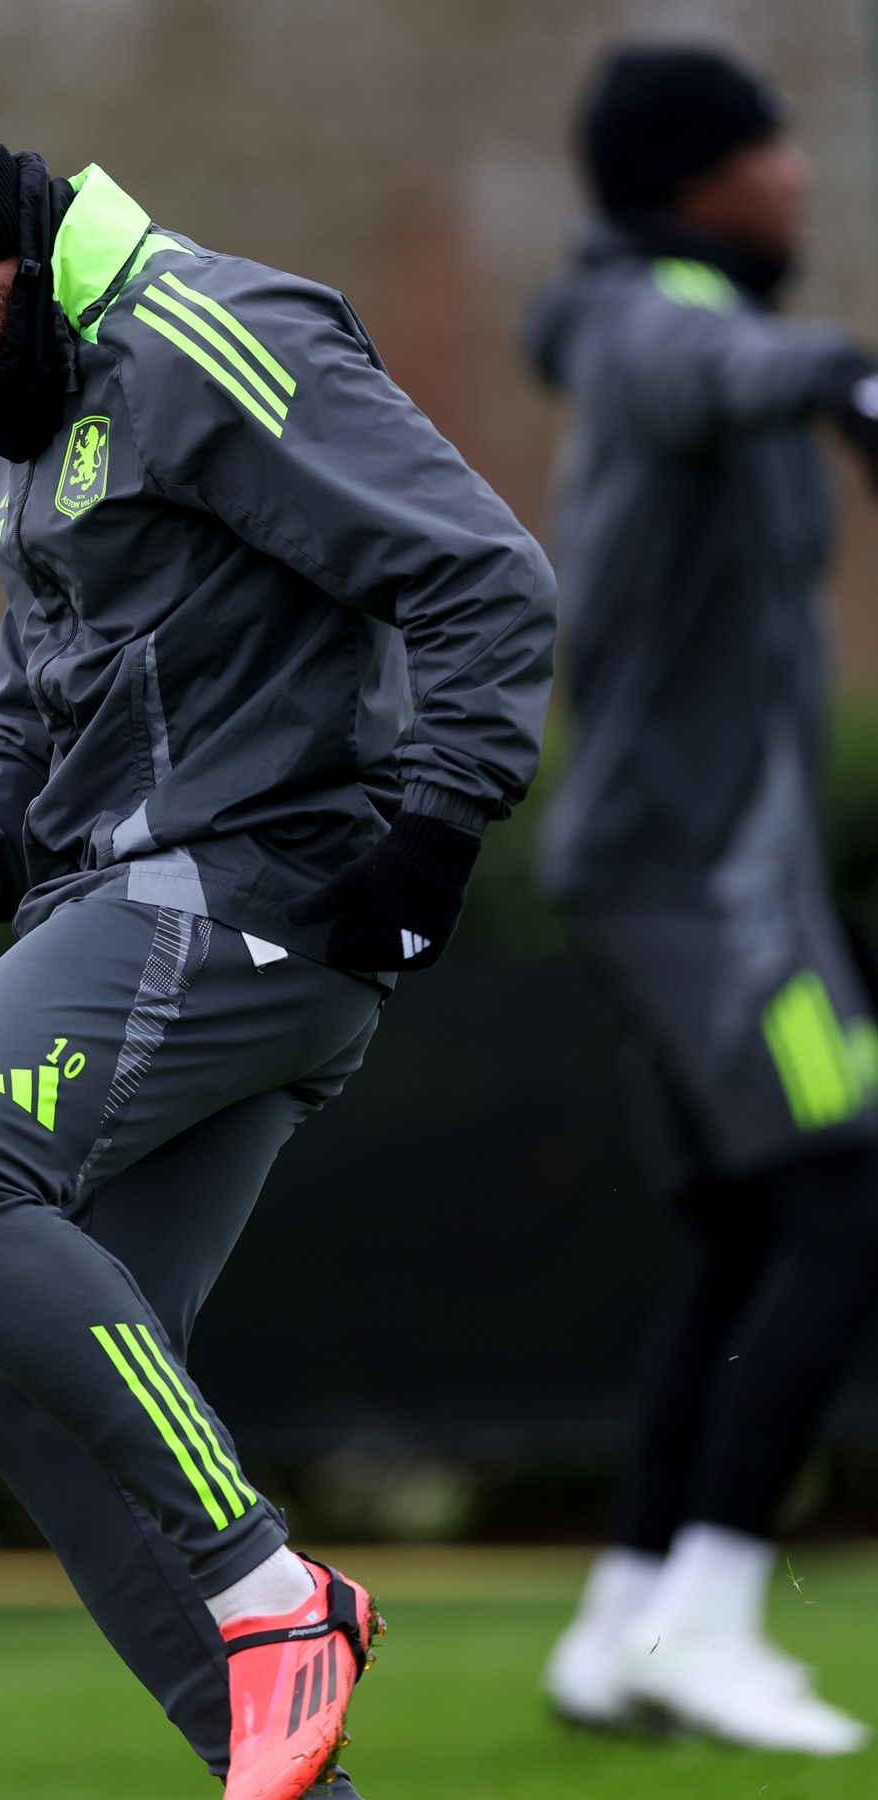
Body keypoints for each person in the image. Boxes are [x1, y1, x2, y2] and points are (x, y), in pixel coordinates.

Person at [0, 84, 555, 1800]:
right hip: (145, 914)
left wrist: (441, 828)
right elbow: (38, 729)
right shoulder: (28, 417)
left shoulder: (204, 337)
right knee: (28, 1412)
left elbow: (487, 579)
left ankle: (274, 1590)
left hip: (260, 900)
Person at [530, 43, 878, 1755]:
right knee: (847, 1198)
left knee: (751, 1232)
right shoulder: (648, 316)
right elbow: (703, 364)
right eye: (768, 148)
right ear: (689, 180)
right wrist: (850, 376)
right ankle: (720, 1617)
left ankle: (620, 1629)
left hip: (694, 872)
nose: (798, 174)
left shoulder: (655, 321)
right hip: (705, 887)